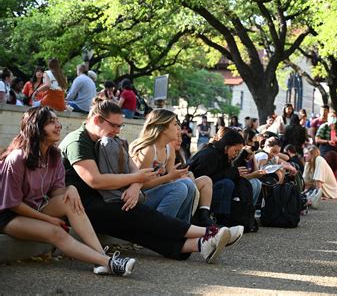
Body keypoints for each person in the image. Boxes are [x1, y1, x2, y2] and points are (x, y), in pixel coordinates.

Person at [59, 98, 243, 264]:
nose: (117, 131)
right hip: (83, 204)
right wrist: (136, 179)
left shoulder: (108, 139)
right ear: (97, 120)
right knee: (142, 217)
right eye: (114, 126)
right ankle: (209, 233)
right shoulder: (78, 141)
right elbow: (95, 181)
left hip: (104, 199)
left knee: (141, 228)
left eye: (120, 127)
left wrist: (134, 185)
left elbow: (134, 170)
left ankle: (201, 245)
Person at [0, 106, 136, 276]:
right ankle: (108, 262)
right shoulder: (18, 158)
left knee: (71, 200)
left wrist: (70, 188)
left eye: (57, 121)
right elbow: (13, 204)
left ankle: (100, 256)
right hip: (9, 215)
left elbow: (56, 191)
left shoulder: (54, 156)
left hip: (37, 206)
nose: (58, 125)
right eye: (51, 122)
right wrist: (48, 219)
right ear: (35, 127)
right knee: (56, 231)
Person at [128, 109, 196, 223]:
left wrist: (178, 176)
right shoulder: (149, 149)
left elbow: (169, 179)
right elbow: (138, 184)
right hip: (139, 197)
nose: (178, 127)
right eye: (174, 124)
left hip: (154, 192)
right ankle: (158, 229)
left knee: (188, 184)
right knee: (180, 188)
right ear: (163, 128)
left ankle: (182, 227)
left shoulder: (169, 148)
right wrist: (168, 177)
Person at [189, 130, 245, 219]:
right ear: (227, 146)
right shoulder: (210, 155)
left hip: (205, 187)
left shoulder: (222, 155)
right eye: (235, 151)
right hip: (195, 190)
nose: (236, 154)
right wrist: (233, 173)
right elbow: (206, 178)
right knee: (226, 184)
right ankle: (215, 217)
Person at [172, 134, 215, 226]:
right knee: (186, 184)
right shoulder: (163, 152)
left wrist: (189, 175)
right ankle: (187, 221)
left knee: (206, 180)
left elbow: (186, 170)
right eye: (177, 137)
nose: (180, 140)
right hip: (171, 186)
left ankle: (204, 217)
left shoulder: (181, 153)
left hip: (183, 182)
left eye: (180, 137)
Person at [232, 128, 265, 206]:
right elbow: (239, 176)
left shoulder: (251, 152)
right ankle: (247, 208)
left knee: (258, 182)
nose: (254, 144)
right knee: (253, 182)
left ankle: (251, 208)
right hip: (240, 181)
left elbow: (256, 170)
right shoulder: (240, 154)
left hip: (249, 179)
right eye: (253, 141)